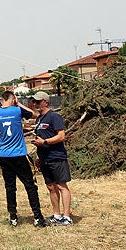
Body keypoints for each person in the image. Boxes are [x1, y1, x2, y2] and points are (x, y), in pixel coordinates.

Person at [0, 90, 47, 227]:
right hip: (19, 154)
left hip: (4, 155)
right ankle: (37, 217)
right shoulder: (17, 111)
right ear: (13, 99)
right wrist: (19, 104)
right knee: (30, 185)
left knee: (10, 187)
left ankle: (13, 217)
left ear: (1, 100)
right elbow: (34, 114)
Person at [31, 91, 74, 227]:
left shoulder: (54, 116)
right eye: (34, 102)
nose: (35, 104)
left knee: (61, 186)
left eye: (38, 101)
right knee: (51, 186)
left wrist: (45, 142)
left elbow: (61, 136)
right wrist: (39, 156)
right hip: (44, 158)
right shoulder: (39, 119)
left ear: (46, 102)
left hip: (56, 157)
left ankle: (67, 217)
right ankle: (56, 215)